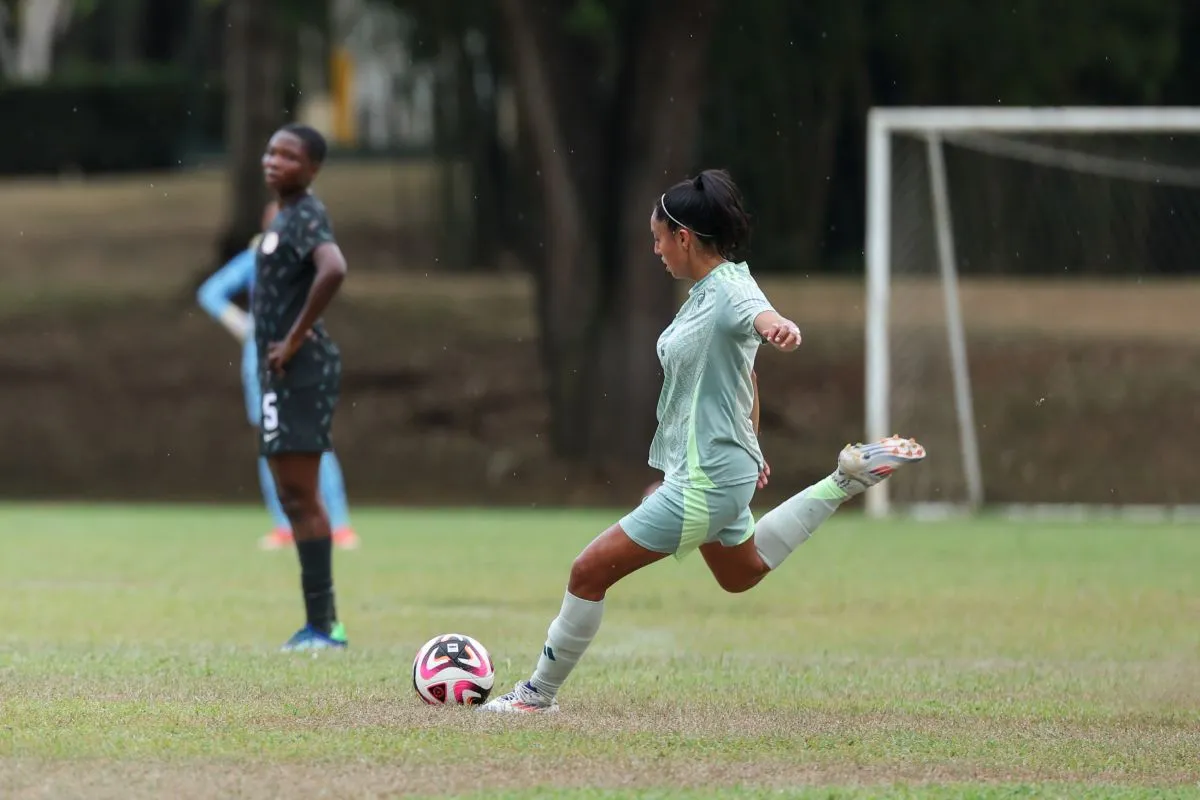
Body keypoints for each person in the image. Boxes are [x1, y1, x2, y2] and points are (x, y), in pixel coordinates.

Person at [480, 169, 926, 713]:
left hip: (709, 479)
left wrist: (779, 327)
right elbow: (747, 375)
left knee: (587, 571)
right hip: (719, 472)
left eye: (658, 238)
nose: (656, 249)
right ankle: (844, 480)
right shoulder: (705, 293)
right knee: (743, 573)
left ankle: (536, 696)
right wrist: (751, 443)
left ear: (684, 237)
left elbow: (761, 319)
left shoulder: (730, 290)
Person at [197, 202, 360, 552]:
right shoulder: (257, 258)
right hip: (262, 357)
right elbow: (210, 292)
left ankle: (339, 524)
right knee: (271, 441)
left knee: (314, 439)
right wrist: (243, 325)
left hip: (300, 353)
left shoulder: (312, 259)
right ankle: (285, 525)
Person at [254, 122, 352, 651]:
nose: (274, 161)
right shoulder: (282, 216)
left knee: (302, 494)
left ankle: (325, 626)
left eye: (288, 156)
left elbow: (334, 268)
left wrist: (292, 341)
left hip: (300, 370)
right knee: (291, 496)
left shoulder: (307, 213)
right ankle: (317, 624)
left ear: (312, 169)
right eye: (271, 152)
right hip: (278, 374)